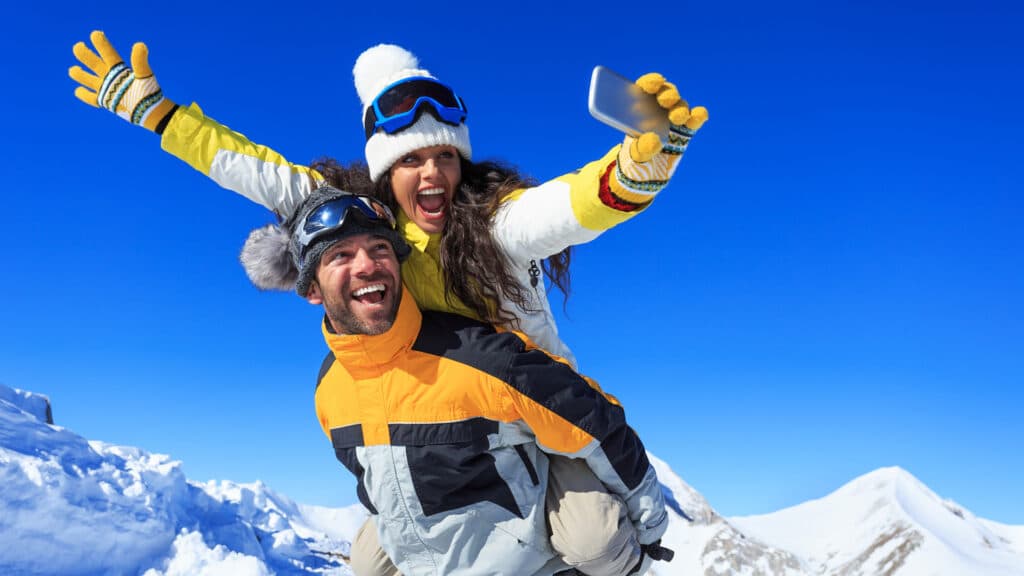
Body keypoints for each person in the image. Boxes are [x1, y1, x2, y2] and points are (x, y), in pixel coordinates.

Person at [68, 32, 708, 369]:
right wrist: (160, 116)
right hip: (443, 412)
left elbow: (562, 210)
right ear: (384, 172)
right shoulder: (356, 218)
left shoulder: (492, 224)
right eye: (412, 160)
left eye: (445, 157)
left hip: (539, 396)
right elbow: (257, 172)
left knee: (595, 538)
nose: (432, 172)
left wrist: (632, 171)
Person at [242, 181, 671, 575]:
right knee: (367, 564)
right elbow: (371, 483)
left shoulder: (477, 356)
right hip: (436, 553)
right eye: (340, 256)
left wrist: (650, 526)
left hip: (529, 557)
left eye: (380, 249)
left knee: (600, 544)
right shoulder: (330, 389)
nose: (368, 265)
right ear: (312, 289)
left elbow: (595, 420)